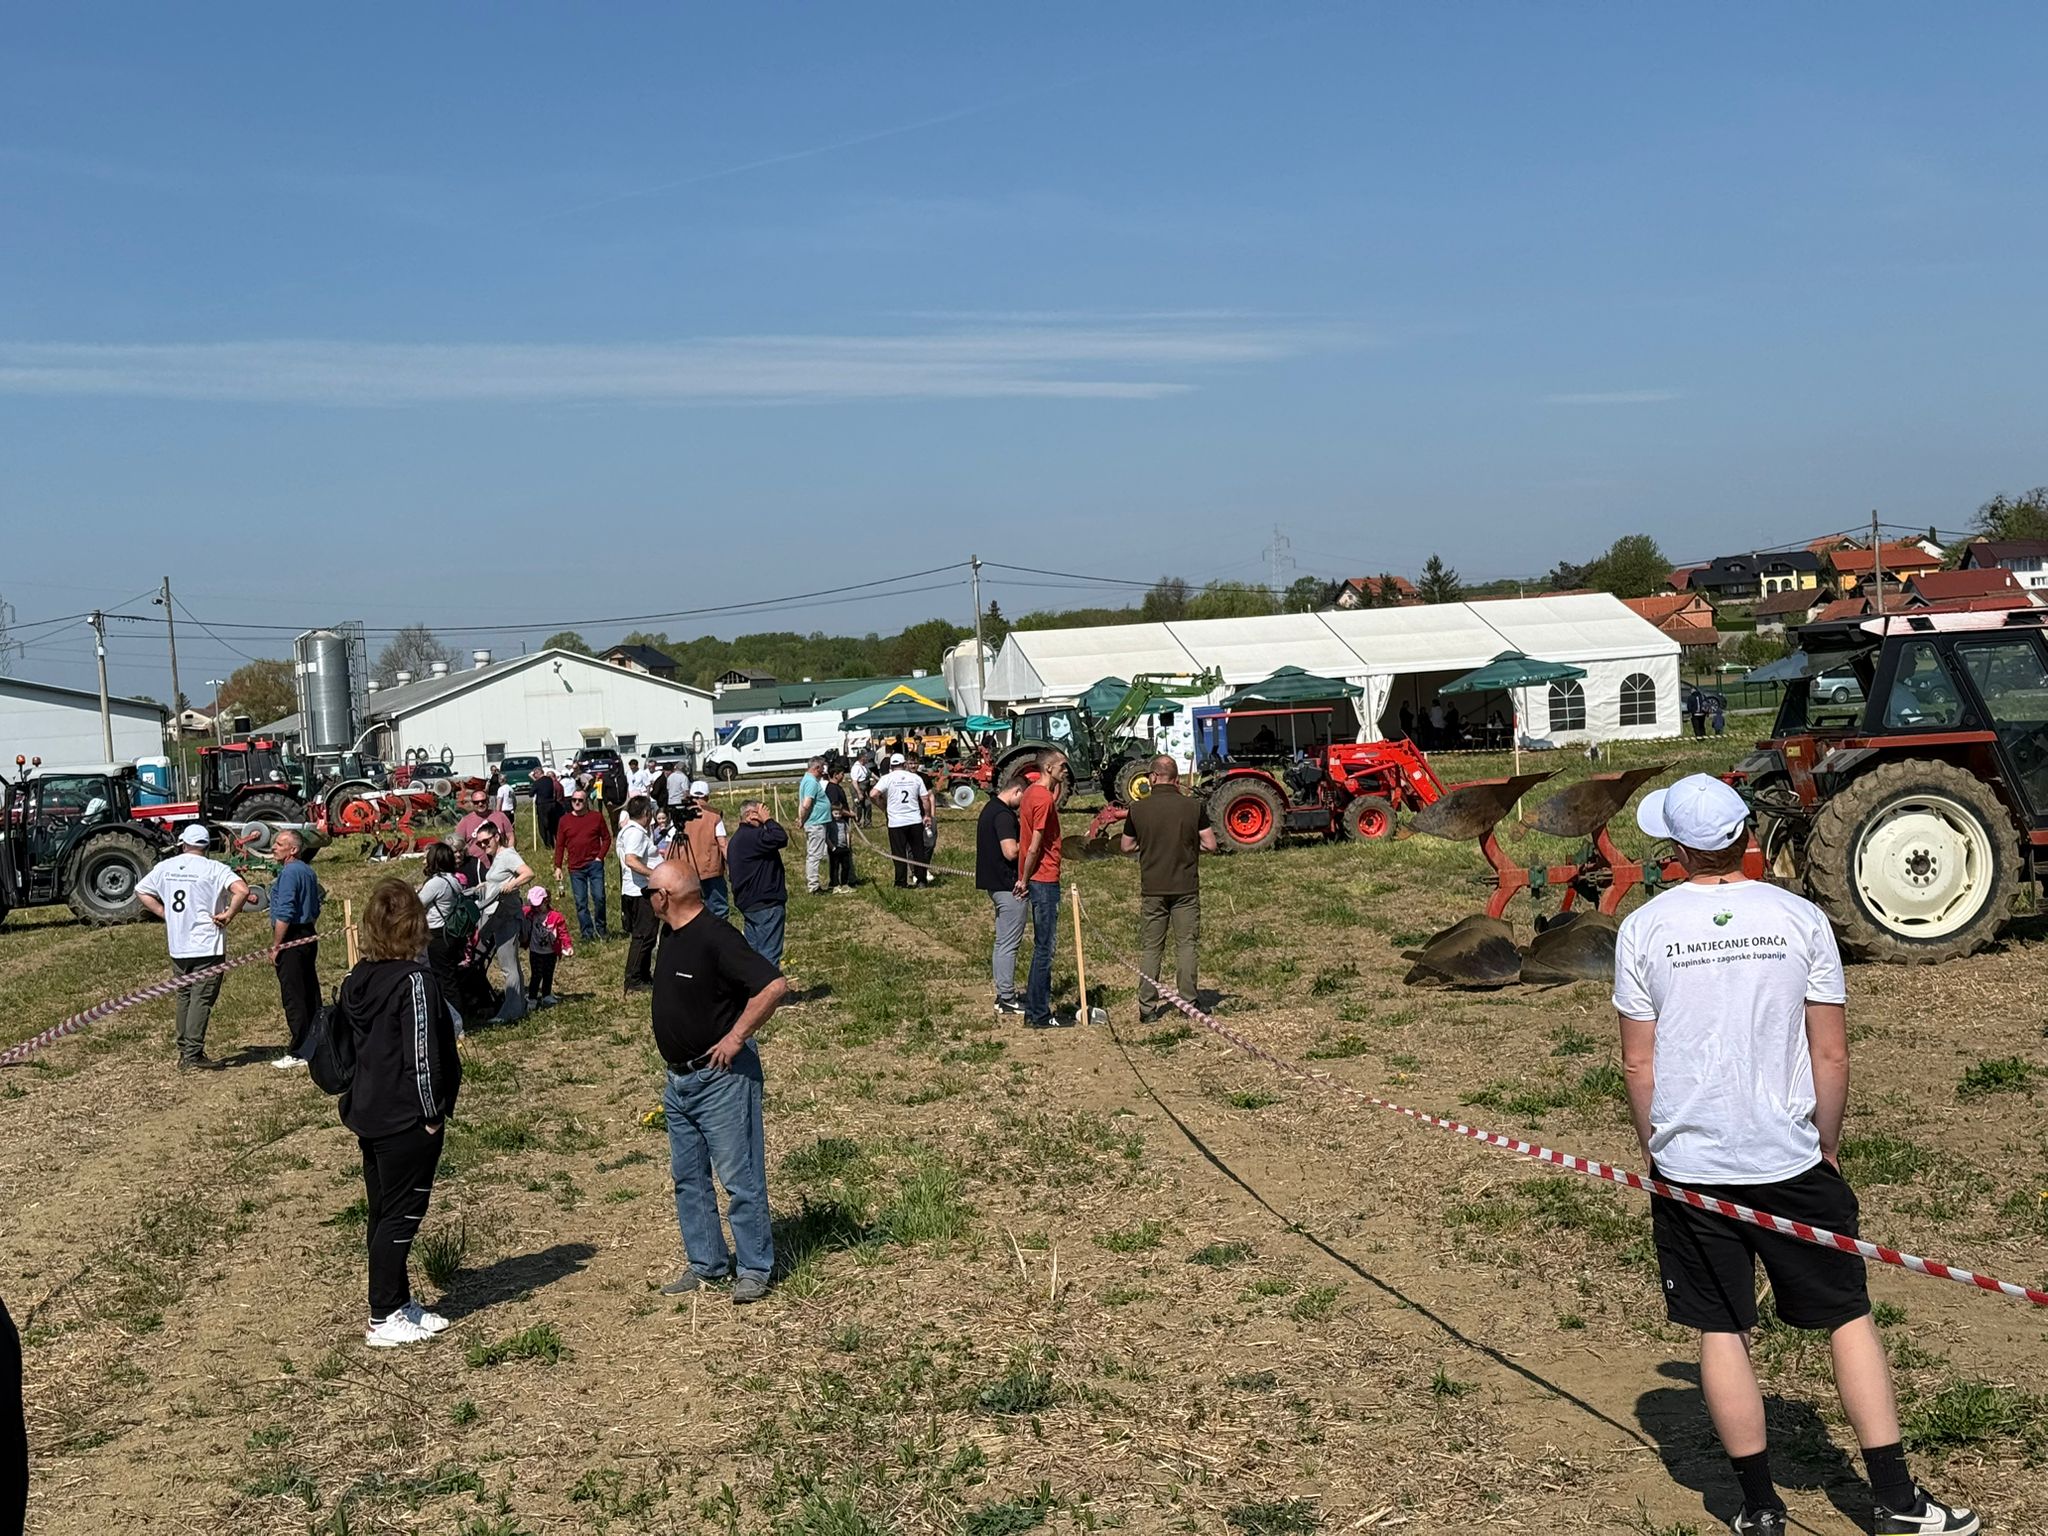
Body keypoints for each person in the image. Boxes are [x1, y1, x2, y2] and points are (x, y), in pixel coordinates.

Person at [1613, 775, 1978, 1536]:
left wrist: (1659, 1151)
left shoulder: (1644, 928)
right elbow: (1830, 1052)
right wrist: (1827, 1143)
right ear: (1747, 835)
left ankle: (1759, 1508)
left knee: (1722, 1329)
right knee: (1847, 1317)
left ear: (1675, 848)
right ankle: (1896, 1501)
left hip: (1691, 1167)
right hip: (1791, 1158)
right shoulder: (1799, 917)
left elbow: (1638, 1063)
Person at [645, 860, 788, 1304]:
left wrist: (736, 1037)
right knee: (688, 1177)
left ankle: (754, 1268)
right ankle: (706, 1262)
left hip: (721, 1080)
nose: (646, 899)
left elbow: (773, 986)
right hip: (680, 1082)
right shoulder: (670, 935)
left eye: (650, 891)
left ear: (665, 897)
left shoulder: (717, 937)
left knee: (740, 1177)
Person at [339, 877, 461, 1348]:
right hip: (406, 1117)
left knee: (383, 1211)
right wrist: (431, 1113)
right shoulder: (414, 981)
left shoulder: (358, 978)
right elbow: (422, 1053)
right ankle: (382, 1315)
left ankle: (398, 1299)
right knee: (402, 1215)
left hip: (369, 1110)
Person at [134, 824, 252, 1070]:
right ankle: (193, 1053)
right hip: (207, 945)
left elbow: (141, 890)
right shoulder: (215, 868)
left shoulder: (165, 867)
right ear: (206, 846)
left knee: (184, 996)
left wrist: (164, 913)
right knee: (202, 998)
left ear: (183, 844)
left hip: (178, 944)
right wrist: (229, 914)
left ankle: (184, 1048)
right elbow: (242, 890)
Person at [1121, 755, 1218, 1022]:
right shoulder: (1193, 807)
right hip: (1185, 886)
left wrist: (1148, 846)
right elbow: (1210, 844)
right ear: (1176, 779)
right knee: (1186, 945)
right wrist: (1188, 848)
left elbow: (1126, 846)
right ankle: (1188, 1002)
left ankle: (1147, 1008)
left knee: (1152, 948)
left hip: (1153, 887)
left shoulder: (1137, 809)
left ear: (1153, 777)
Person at [1014, 752, 1069, 1029]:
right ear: (1048, 767)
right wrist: (1024, 879)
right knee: (1045, 948)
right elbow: (1034, 845)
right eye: (1062, 766)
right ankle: (1038, 1013)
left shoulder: (1031, 794)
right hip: (1044, 879)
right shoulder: (1043, 799)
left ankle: (1035, 1009)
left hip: (1037, 877)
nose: (1066, 770)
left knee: (1042, 946)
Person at [468, 821, 534, 1024]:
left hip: (507, 916)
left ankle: (511, 1012)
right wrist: (487, 884)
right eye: (479, 843)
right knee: (508, 964)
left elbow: (528, 873)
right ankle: (517, 1006)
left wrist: (512, 884)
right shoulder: (497, 857)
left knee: (508, 966)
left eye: (486, 841)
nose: (483, 846)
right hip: (498, 916)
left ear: (497, 837)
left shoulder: (507, 855)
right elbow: (499, 879)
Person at [267, 829, 323, 1068]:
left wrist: (277, 946)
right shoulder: (307, 871)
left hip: (293, 936)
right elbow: (316, 904)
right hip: (308, 933)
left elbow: (285, 912)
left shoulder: (290, 873)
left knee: (295, 996)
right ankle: (316, 1042)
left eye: (280, 844)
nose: (274, 847)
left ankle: (299, 1051)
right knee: (309, 991)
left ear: (294, 849)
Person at [975, 777, 1029, 1016]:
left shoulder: (989, 809)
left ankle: (1002, 993)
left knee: (1001, 942)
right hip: (1009, 887)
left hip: (994, 885)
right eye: (1023, 798)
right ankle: (1007, 997)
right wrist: (1030, 842)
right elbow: (1010, 852)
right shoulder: (1004, 816)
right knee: (1009, 944)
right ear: (1017, 791)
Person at [726, 799, 789, 966]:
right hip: (765, 903)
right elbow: (780, 838)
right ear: (750, 815)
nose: (764, 816)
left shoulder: (737, 839)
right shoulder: (752, 836)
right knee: (769, 955)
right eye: (760, 812)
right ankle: (769, 982)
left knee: (753, 955)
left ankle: (753, 982)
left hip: (748, 902)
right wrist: (768, 820)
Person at [416, 842, 471, 1023]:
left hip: (438, 935)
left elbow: (417, 904)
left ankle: (455, 1022)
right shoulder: (453, 880)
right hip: (451, 933)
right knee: (450, 977)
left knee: (444, 980)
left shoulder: (436, 883)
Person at [552, 786, 613, 941]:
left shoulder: (596, 817)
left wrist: (600, 857)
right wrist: (558, 866)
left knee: (599, 897)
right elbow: (560, 845)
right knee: (581, 902)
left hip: (594, 864)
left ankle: (601, 928)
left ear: (586, 802)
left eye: (580, 800)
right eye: (574, 800)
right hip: (575, 868)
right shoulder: (564, 820)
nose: (577, 803)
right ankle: (587, 933)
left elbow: (607, 838)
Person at [618, 795, 663, 994]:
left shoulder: (633, 831)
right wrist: (654, 874)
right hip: (639, 892)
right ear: (646, 813)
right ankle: (633, 978)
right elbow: (631, 860)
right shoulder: (635, 833)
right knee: (643, 936)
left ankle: (643, 974)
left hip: (638, 890)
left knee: (649, 935)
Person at [872, 753, 934, 888]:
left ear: (891, 765)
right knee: (918, 851)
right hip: (914, 819)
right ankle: (921, 880)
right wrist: (927, 815)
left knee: (899, 853)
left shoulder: (887, 778)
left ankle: (900, 882)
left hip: (896, 822)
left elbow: (873, 794)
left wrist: (883, 807)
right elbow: (925, 799)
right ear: (904, 764)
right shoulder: (915, 778)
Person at [521, 886, 570, 1008]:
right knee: (536, 975)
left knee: (548, 973)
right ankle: (532, 997)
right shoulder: (529, 914)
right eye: (533, 906)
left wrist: (567, 945)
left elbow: (563, 932)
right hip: (535, 952)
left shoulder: (556, 917)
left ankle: (546, 994)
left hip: (550, 952)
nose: (536, 908)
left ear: (546, 901)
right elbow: (519, 911)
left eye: (538, 905)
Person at [797, 757, 831, 895]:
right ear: (816, 768)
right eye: (822, 769)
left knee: (815, 853)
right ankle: (814, 886)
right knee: (814, 855)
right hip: (815, 823)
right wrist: (802, 819)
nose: (823, 772)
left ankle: (814, 884)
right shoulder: (811, 782)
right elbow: (806, 804)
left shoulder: (808, 780)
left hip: (816, 822)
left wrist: (801, 818)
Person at [824, 763, 856, 892]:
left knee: (846, 859)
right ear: (835, 775)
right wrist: (850, 814)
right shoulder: (832, 789)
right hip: (835, 829)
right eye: (842, 774)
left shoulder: (837, 787)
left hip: (843, 827)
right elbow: (835, 807)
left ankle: (847, 880)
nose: (843, 776)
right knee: (836, 861)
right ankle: (835, 882)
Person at [531, 768, 561, 851]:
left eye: (534, 774)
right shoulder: (549, 780)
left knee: (544, 826)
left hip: (542, 805)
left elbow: (531, 793)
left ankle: (548, 844)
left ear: (538, 773)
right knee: (552, 825)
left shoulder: (537, 782)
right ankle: (554, 843)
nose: (534, 776)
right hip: (551, 804)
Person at [849, 751, 873, 827]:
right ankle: (856, 823)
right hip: (857, 788)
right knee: (858, 806)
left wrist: (879, 779)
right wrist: (859, 793)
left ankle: (867, 823)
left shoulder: (864, 767)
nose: (868, 758)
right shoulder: (856, 768)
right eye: (866, 757)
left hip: (864, 789)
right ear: (862, 758)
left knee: (868, 804)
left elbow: (871, 774)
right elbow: (854, 781)